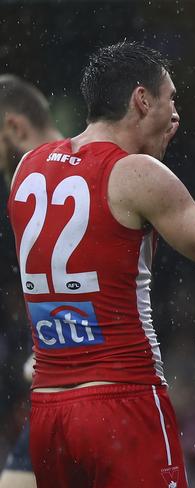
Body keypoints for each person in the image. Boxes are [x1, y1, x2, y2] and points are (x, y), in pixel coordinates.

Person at [7, 42, 195, 488]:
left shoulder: (28, 167)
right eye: (172, 99)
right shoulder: (135, 173)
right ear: (142, 100)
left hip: (49, 410)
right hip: (121, 401)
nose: (177, 115)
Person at [0, 74, 60, 488]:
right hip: (55, 390)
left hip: (100, 389)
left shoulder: (65, 183)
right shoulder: (25, 187)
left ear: (15, 128)